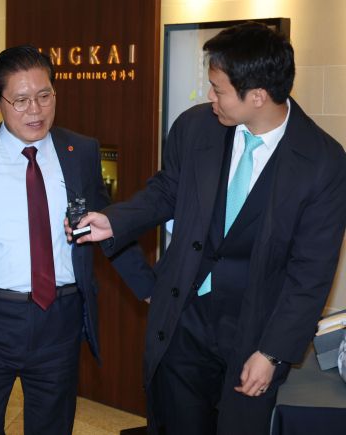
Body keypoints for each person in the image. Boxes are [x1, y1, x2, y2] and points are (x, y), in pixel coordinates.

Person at [70, 22, 346, 435]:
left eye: (218, 89)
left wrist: (272, 353)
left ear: (257, 95)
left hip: (254, 333)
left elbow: (311, 273)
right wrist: (114, 220)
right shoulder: (196, 126)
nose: (210, 98)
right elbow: (166, 190)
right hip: (183, 319)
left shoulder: (323, 162)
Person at [0, 45, 155, 435]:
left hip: (59, 319)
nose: (35, 110)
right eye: (20, 100)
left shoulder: (80, 151)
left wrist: (151, 288)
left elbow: (106, 226)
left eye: (44, 96)